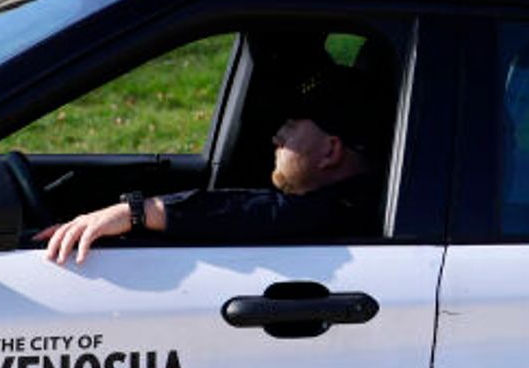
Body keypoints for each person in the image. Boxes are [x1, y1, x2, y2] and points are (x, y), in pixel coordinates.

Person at [39, 48, 392, 265]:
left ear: (331, 150)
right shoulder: (372, 196)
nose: (275, 136)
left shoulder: (349, 212)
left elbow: (260, 213)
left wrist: (133, 212)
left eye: (290, 127)